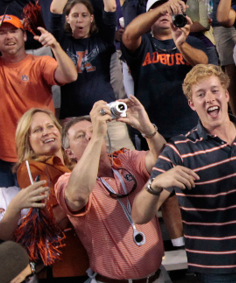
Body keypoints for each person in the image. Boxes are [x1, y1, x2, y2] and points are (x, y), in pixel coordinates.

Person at [131, 64, 236, 283]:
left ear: (226, 94)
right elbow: (139, 216)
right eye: (201, 94)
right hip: (217, 271)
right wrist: (156, 184)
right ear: (192, 104)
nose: (210, 98)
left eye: (215, 90)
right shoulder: (179, 149)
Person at [0, 15, 78, 185]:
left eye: (13, 31)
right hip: (5, 158)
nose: (9, 36)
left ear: (24, 36)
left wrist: (55, 46)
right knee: (11, 209)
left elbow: (70, 75)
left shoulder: (41, 63)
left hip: (42, 155)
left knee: (51, 207)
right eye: (2, 33)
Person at [55, 97, 168, 283]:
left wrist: (148, 130)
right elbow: (77, 196)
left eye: (92, 131)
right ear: (69, 153)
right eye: (80, 136)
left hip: (158, 277)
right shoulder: (66, 181)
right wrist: (97, 135)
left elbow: (164, 161)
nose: (89, 136)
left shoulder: (125, 158)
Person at [14, 109, 90, 282]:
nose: (46, 132)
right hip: (66, 265)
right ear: (27, 140)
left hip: (98, 259)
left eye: (50, 126)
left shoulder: (76, 161)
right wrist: (84, 189)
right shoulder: (30, 169)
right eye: (37, 130)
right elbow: (51, 221)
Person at [121, 0, 208, 140]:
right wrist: (162, 9)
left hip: (190, 126)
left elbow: (203, 64)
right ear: (149, 16)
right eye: (158, 10)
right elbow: (128, 36)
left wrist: (181, 44)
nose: (164, 12)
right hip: (151, 128)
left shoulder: (191, 42)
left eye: (169, 10)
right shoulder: (143, 43)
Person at [49, 0, 117, 118]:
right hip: (73, 117)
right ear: (67, 19)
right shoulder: (61, 42)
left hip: (105, 113)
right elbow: (55, 9)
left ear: (92, 19)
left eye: (84, 15)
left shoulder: (102, 40)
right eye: (75, 15)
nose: (80, 20)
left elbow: (110, 7)